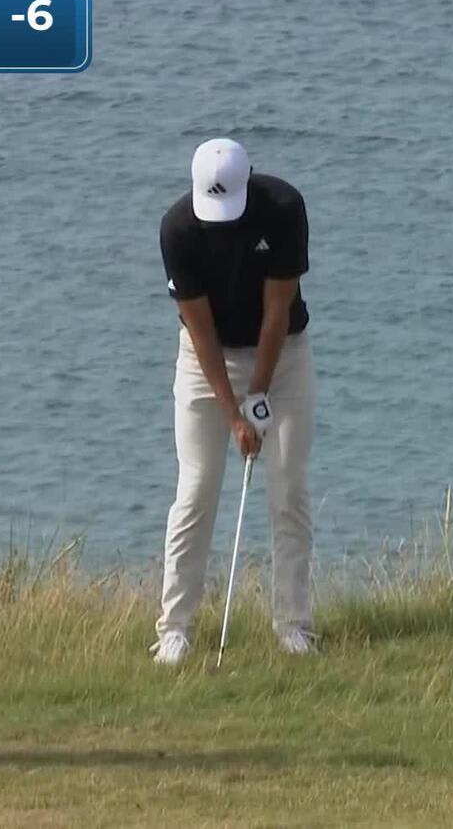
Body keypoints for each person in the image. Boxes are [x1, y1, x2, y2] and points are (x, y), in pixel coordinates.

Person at [153, 138, 318, 665]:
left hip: (283, 356)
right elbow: (200, 332)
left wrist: (259, 400)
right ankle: (175, 630)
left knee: (287, 490)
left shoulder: (283, 209)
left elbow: (277, 313)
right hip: (208, 361)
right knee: (196, 491)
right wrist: (233, 414)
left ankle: (293, 625)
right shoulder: (178, 229)